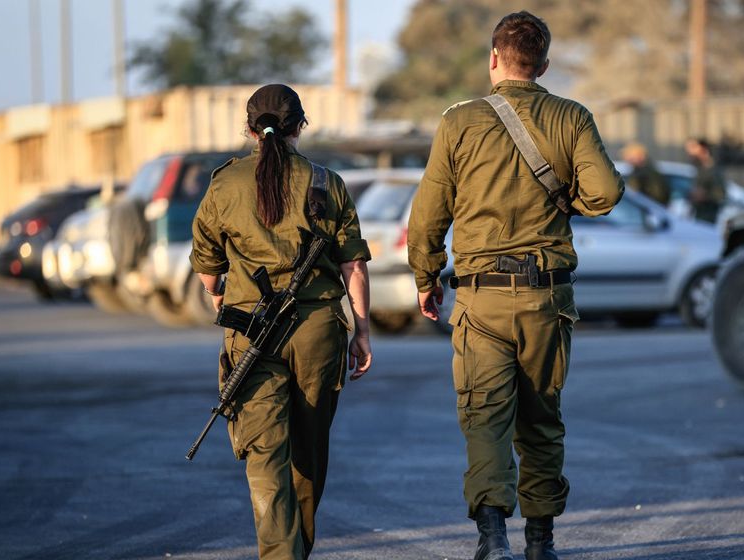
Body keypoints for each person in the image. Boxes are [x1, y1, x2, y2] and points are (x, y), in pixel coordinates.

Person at [407, 12, 623, 560]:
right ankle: (541, 544)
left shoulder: (458, 122)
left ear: (493, 59)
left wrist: (426, 278)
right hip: (547, 297)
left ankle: (492, 539)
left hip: (480, 298)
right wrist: (566, 201)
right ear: (544, 65)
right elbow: (606, 193)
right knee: (542, 422)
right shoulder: (571, 116)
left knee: (486, 418)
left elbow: (429, 212)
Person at [190, 84, 372, 560]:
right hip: (318, 333)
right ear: (300, 127)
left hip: (251, 330)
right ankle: (295, 551)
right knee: (309, 452)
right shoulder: (325, 182)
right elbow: (354, 264)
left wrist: (219, 296)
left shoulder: (224, 184)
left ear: (250, 130)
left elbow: (209, 274)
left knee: (265, 453)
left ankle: (280, 554)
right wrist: (363, 331)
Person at [685, 137, 726, 223]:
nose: (689, 152)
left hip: (708, 217)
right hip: (699, 215)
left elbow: (720, 195)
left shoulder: (712, 170)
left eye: (693, 148)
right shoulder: (700, 169)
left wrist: (704, 196)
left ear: (703, 149)